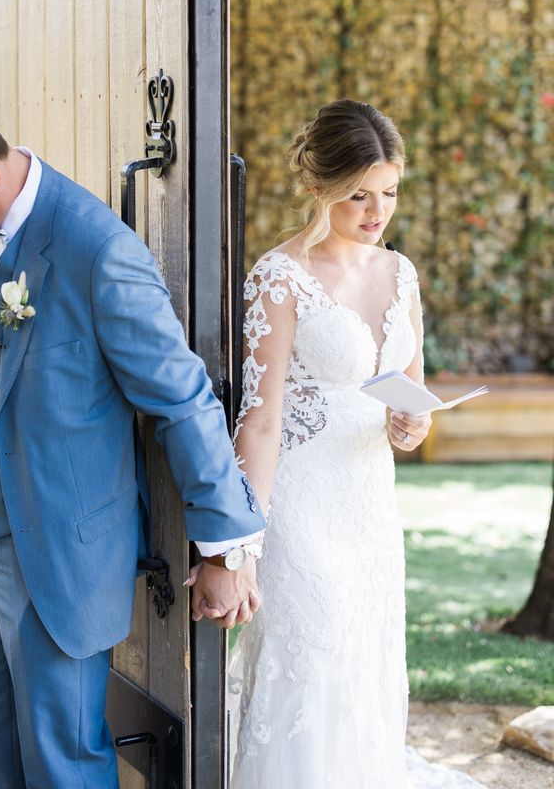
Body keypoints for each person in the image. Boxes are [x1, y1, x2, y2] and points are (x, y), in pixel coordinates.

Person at [0, 87, 265, 789]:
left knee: (61, 759)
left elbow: (181, 398)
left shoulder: (97, 250)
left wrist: (226, 545)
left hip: (52, 548)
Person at [229, 99, 485, 789]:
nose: (378, 213)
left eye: (390, 193)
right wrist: (239, 543)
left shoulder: (400, 276)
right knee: (310, 661)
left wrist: (414, 424)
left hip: (369, 503)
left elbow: (410, 393)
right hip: (301, 504)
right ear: (318, 188)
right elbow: (257, 420)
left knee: (364, 661)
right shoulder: (276, 279)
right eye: (359, 196)